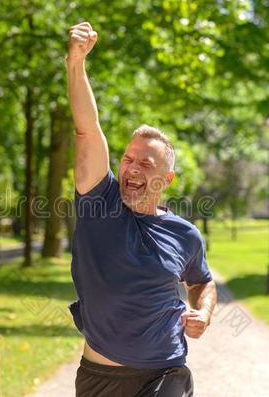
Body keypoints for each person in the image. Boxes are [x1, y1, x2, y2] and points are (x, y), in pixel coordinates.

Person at [66, 21, 218, 397]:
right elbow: (87, 130)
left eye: (146, 164)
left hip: (165, 373)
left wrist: (204, 312)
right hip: (100, 378)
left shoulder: (184, 234)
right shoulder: (98, 203)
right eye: (127, 159)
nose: (132, 168)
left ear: (166, 180)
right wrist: (75, 64)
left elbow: (202, 281)